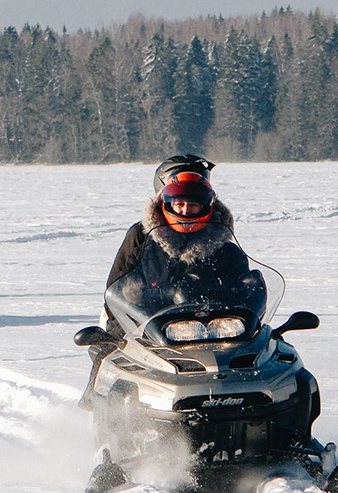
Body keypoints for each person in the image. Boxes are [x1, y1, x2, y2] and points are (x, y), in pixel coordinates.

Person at [84, 154, 247, 401]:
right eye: (179, 201)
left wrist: (246, 299)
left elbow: (240, 280)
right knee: (113, 360)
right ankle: (105, 417)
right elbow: (118, 287)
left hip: (211, 327)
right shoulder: (142, 235)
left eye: (193, 203)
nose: (185, 209)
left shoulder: (221, 237)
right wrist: (125, 327)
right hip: (150, 323)